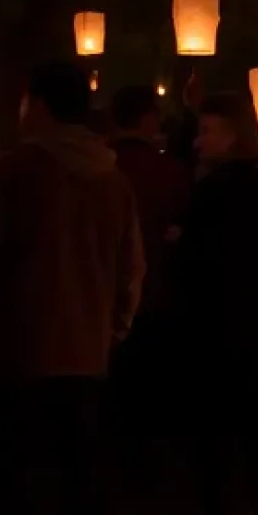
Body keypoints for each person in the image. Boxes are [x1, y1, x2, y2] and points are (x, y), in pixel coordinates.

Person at [0, 60, 144, 515]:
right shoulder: (111, 176)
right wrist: (112, 328)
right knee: (82, 470)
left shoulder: (15, 171)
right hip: (87, 351)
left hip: (20, 347)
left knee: (18, 473)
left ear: (37, 104)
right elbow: (131, 265)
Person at [164, 94, 258, 515]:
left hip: (214, 323)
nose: (200, 142)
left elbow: (199, 259)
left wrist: (180, 242)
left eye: (208, 131)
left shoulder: (216, 190)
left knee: (212, 424)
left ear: (233, 135)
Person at [106, 86, 192, 467]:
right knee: (151, 383)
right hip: (157, 292)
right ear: (146, 120)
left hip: (107, 293)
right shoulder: (165, 172)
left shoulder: (102, 170)